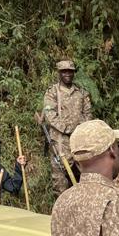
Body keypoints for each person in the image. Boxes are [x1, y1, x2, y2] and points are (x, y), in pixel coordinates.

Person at [42, 59, 92, 195]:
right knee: (59, 181)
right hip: (60, 143)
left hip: (80, 142)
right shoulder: (52, 92)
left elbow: (88, 114)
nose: (67, 74)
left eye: (70, 71)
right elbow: (49, 114)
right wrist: (67, 129)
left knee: (86, 175)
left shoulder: (81, 92)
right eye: (64, 71)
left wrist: (81, 130)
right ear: (59, 73)